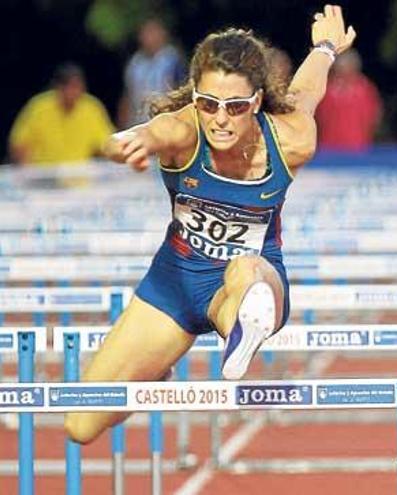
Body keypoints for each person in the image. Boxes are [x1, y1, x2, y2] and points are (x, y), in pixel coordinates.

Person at [63, 4, 356, 445]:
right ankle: (154, 372)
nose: (220, 118)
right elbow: (148, 133)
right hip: (173, 286)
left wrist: (327, 48)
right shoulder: (183, 130)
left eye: (235, 105)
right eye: (208, 103)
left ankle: (241, 327)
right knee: (79, 426)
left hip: (251, 280)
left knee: (245, 275)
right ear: (194, 96)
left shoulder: (290, 139)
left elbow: (306, 91)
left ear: (256, 101)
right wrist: (124, 144)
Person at [8, 63, 114, 165]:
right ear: (59, 87)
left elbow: (106, 145)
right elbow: (19, 144)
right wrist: (28, 174)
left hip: (80, 177)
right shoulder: (39, 106)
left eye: (78, 87)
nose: (75, 92)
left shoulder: (91, 107)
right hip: (44, 176)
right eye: (71, 87)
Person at [118, 18, 187, 128]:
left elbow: (181, 91)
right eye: (145, 33)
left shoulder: (172, 59)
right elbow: (128, 95)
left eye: (152, 32)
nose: (148, 37)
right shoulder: (135, 62)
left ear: (163, 34)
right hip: (138, 123)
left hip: (165, 122)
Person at [314, 49, 381, 151]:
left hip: (358, 148)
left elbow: (373, 118)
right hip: (328, 149)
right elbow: (317, 117)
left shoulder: (365, 89)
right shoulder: (325, 89)